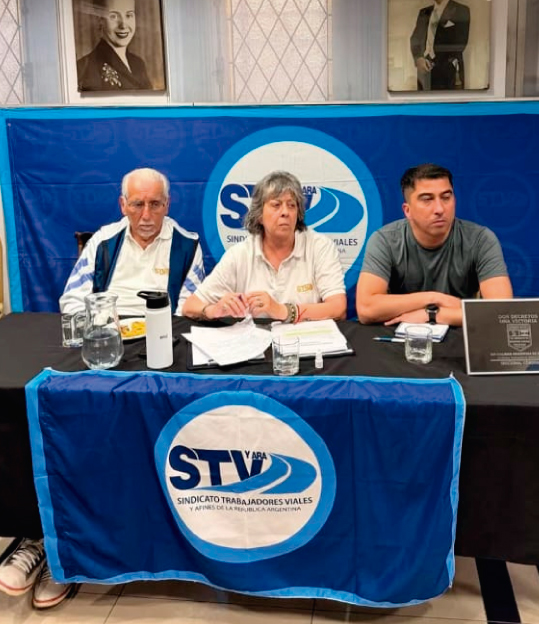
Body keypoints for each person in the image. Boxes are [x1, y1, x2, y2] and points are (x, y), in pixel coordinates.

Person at [356, 163, 513, 327]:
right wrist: (434, 298)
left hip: (462, 333)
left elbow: (501, 311)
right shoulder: (385, 240)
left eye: (446, 197)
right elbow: (366, 310)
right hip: (401, 333)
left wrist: (433, 314)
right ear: (407, 210)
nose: (439, 209)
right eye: (427, 199)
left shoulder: (480, 239)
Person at [182, 171, 347, 323]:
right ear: (259, 215)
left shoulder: (319, 247)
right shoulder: (240, 254)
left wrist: (282, 311)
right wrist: (214, 310)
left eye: (291, 205)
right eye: (276, 205)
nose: (285, 212)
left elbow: (338, 308)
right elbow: (190, 306)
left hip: (307, 341)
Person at [60, 168, 204, 317]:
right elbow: (72, 300)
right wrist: (99, 327)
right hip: (108, 326)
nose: (146, 215)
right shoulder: (102, 241)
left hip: (163, 327)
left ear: (166, 205)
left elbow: (188, 310)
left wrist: (161, 329)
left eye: (155, 204)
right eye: (138, 204)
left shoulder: (187, 246)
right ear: (123, 205)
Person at [77, 0, 152, 91]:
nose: (123, 25)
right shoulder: (85, 68)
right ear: (100, 20)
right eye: (113, 16)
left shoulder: (138, 64)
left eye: (128, 15)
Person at [410, 0, 470, 90]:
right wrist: (418, 58)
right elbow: (415, 39)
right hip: (425, 70)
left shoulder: (461, 10)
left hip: (448, 71)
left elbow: (460, 43)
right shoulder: (424, 12)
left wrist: (436, 63)